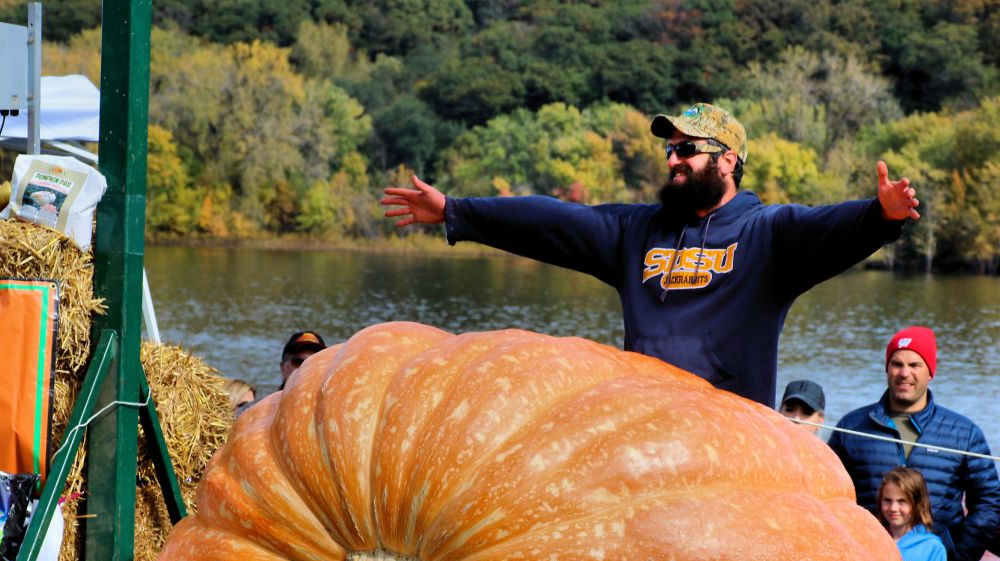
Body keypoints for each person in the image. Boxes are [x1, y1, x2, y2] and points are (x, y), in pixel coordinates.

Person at [381, 102, 920, 407]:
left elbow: (828, 226)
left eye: (687, 149)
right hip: (639, 431)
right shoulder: (637, 232)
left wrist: (880, 216)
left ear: (727, 160)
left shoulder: (767, 235)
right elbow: (549, 220)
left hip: (728, 445)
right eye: (669, 149)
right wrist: (457, 211)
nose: (673, 161)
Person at [828, 326, 1000, 561]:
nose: (904, 372)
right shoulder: (852, 428)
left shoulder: (963, 432)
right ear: (886, 368)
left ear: (929, 371)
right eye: (896, 363)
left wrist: (956, 555)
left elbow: (990, 501)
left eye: (914, 364)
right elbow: (831, 497)